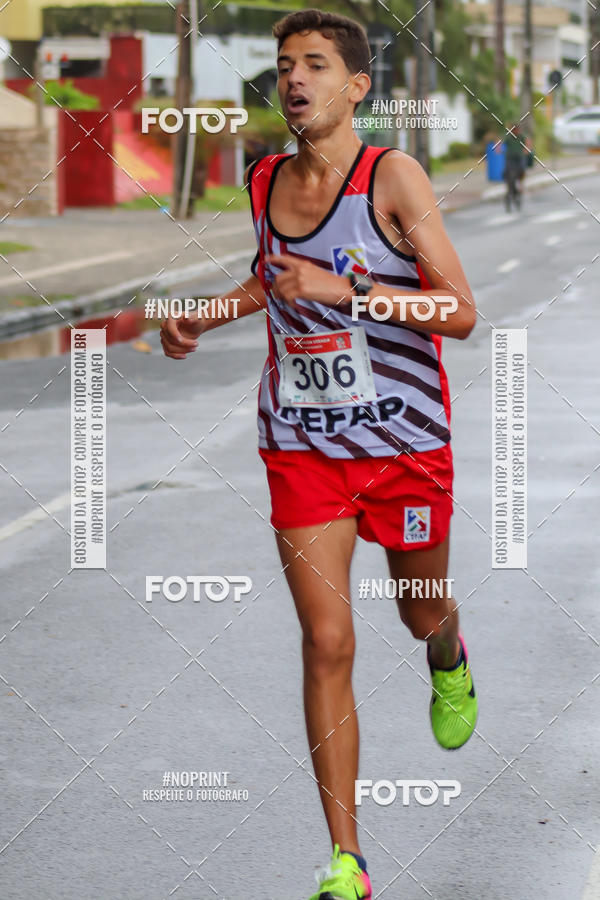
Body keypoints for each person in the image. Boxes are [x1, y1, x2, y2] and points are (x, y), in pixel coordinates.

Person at [160, 9, 478, 899]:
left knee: (419, 612)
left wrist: (351, 289)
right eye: (284, 63)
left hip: (404, 445)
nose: (294, 78)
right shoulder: (264, 179)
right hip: (302, 443)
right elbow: (270, 279)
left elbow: (458, 310)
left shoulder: (393, 178)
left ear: (357, 87)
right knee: (326, 640)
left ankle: (448, 655)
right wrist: (203, 315)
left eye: (315, 64)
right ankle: (348, 860)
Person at [502, 122, 531, 211]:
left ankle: (520, 185)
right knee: (507, 173)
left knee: (521, 170)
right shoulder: (508, 138)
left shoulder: (521, 137)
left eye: (516, 130)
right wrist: (500, 150)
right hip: (510, 159)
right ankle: (509, 186)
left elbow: (527, 144)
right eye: (513, 130)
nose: (515, 131)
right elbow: (501, 145)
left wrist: (526, 150)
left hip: (519, 159)